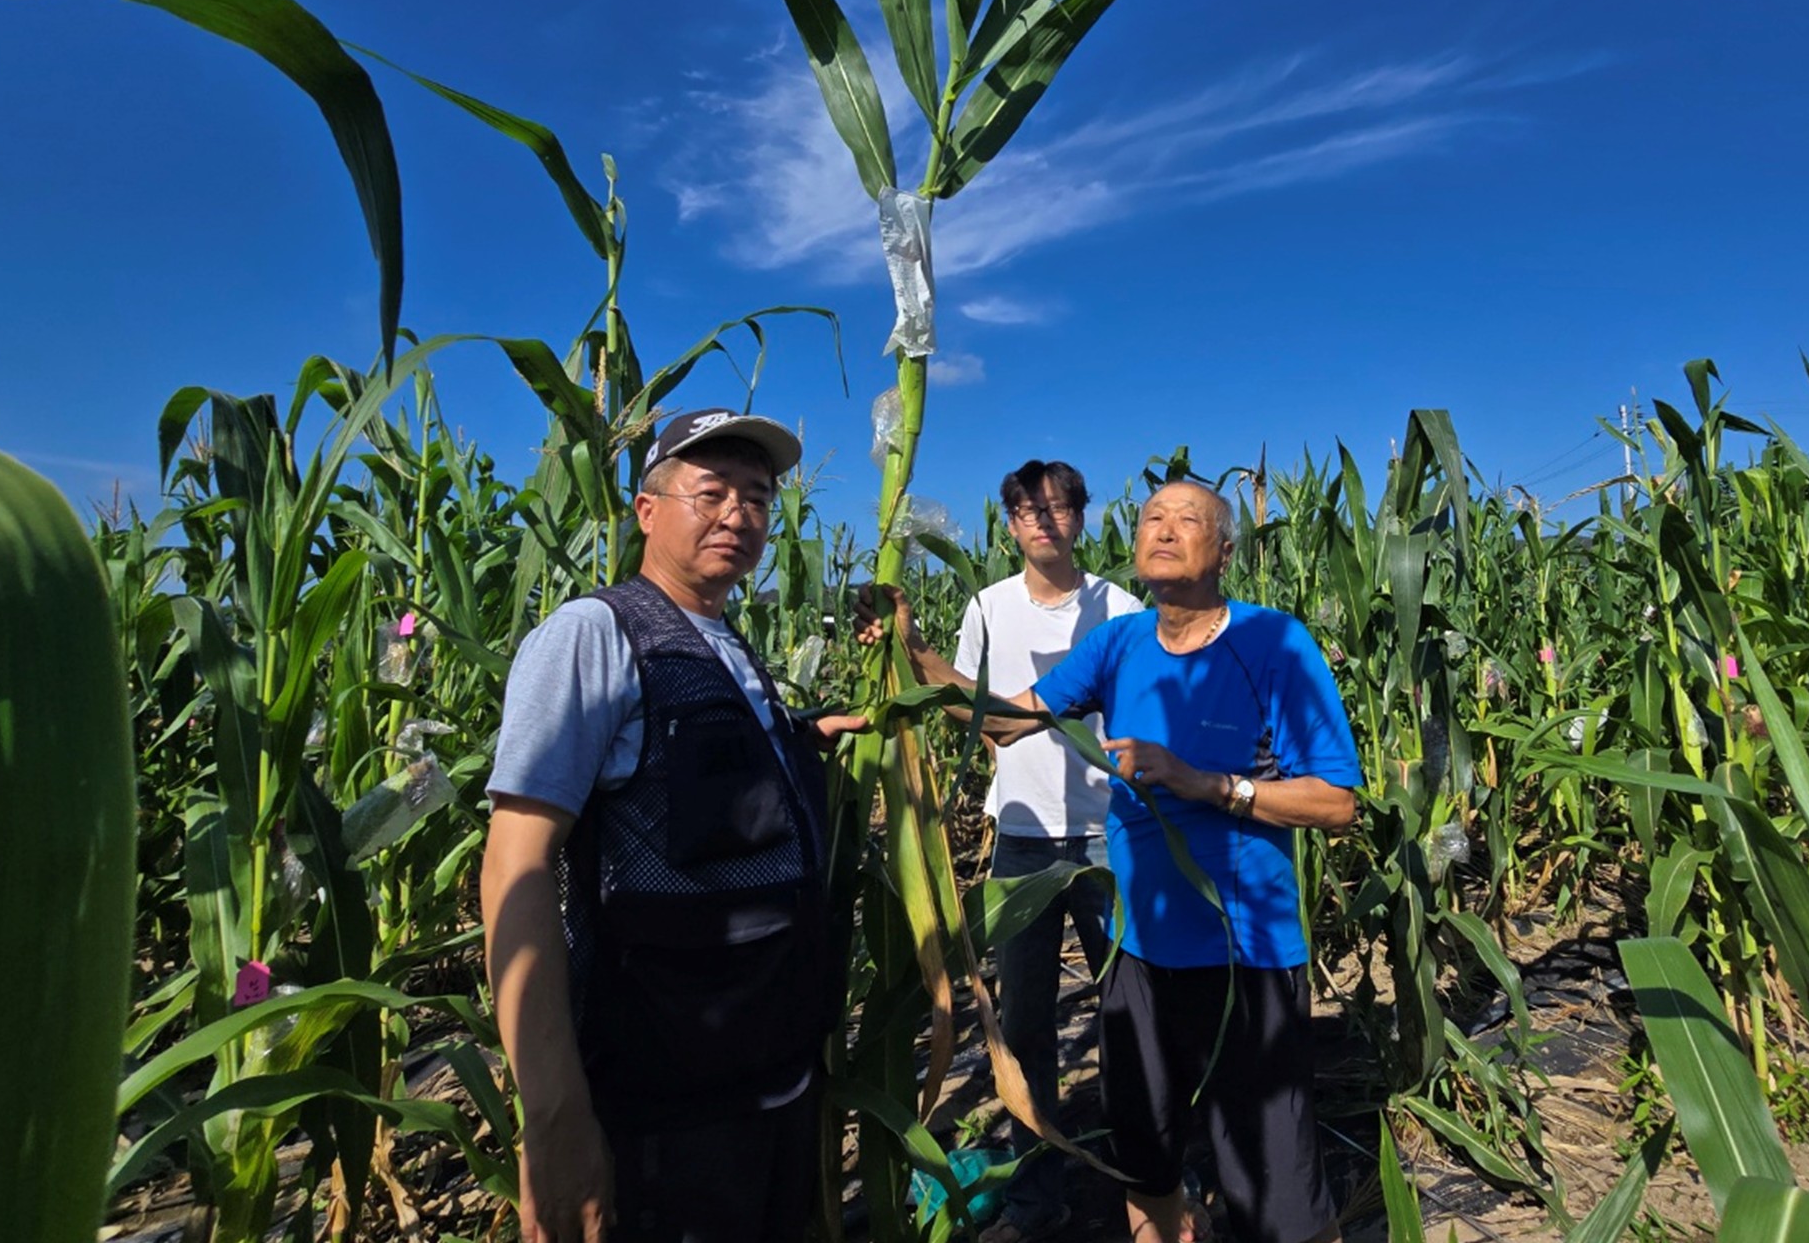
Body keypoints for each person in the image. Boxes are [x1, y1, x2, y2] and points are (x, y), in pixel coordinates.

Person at [862, 480, 1361, 1243]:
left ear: (1225, 552)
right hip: (1139, 957)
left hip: (1246, 958)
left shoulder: (1275, 644)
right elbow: (1005, 720)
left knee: (1273, 1189)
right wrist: (914, 647)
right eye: (1152, 517)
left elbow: (1336, 803)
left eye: (1187, 519)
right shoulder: (1118, 645)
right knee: (1144, 1156)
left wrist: (1210, 785)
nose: (1163, 528)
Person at [481, 408, 867, 1243]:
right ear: (646, 510)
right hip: (666, 1108)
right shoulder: (594, 637)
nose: (738, 514)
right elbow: (514, 863)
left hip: (768, 1082)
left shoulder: (728, 642)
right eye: (713, 491)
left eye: (758, 497)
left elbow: (693, 775)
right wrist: (552, 1117)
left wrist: (807, 739)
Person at [954, 461, 1144, 1243]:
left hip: (1108, 838)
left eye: (1059, 507)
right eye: (1027, 510)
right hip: (1024, 840)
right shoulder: (987, 610)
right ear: (1009, 524)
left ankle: (1153, 1184)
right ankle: (1038, 1197)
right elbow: (971, 715)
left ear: (1081, 519)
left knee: (1133, 1018)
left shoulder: (1119, 608)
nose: (1043, 520)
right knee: (1026, 1029)